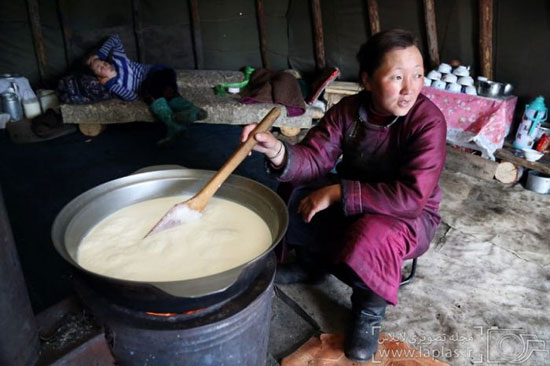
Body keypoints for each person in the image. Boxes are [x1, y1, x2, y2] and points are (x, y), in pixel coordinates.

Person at [240, 29, 446, 362]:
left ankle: (368, 310)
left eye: (418, 75)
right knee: (294, 191)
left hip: (407, 216)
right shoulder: (348, 110)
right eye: (397, 77)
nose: (410, 89)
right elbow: (314, 158)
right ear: (367, 80)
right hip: (355, 198)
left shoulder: (428, 122)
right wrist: (276, 149)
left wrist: (338, 192)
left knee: (372, 233)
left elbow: (412, 197)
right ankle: (312, 265)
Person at [86, 33, 207, 144]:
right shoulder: (116, 85)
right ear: (100, 77)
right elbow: (131, 97)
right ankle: (190, 114)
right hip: (151, 88)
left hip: (158, 72)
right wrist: (109, 84)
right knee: (153, 95)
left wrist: (99, 54)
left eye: (103, 62)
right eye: (100, 68)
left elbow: (115, 38)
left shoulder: (119, 61)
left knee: (154, 89)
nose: (105, 65)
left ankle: (176, 122)